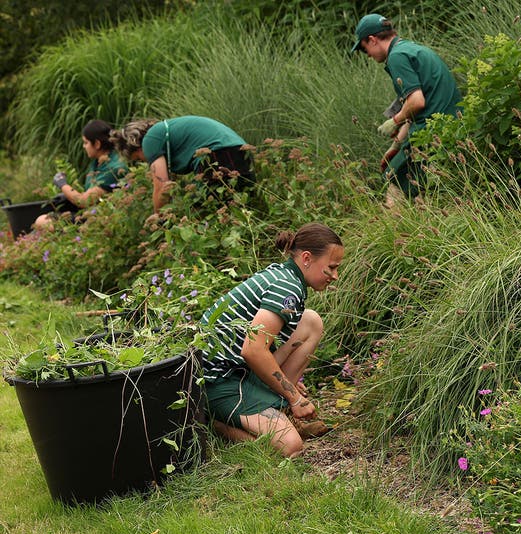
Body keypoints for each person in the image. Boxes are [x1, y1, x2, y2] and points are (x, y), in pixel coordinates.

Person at [200, 223, 344, 458]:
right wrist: (294, 397)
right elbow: (253, 350)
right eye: (331, 268)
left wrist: (283, 383)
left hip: (240, 368)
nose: (335, 276)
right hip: (219, 380)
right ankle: (215, 425)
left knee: (310, 322)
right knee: (291, 447)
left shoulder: (285, 275)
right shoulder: (287, 287)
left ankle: (275, 407)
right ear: (307, 258)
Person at [351, 13, 462, 203]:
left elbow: (417, 102)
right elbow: (414, 109)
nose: (368, 55)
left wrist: (394, 120)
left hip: (432, 133)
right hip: (450, 129)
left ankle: (394, 229)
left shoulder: (396, 58)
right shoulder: (411, 49)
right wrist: (396, 145)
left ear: (372, 40)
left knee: (396, 183)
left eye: (364, 49)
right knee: (424, 192)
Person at [110, 115, 255, 213]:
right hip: (240, 151)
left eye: (139, 158)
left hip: (217, 155)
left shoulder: (149, 140)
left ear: (135, 145)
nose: (145, 161)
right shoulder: (165, 132)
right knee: (243, 209)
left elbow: (162, 187)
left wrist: (159, 219)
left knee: (206, 212)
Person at [35, 119, 127, 230]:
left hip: (103, 219)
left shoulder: (113, 168)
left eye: (86, 142)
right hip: (93, 212)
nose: (84, 146)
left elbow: (83, 201)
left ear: (97, 144)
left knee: (42, 221)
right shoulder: (97, 162)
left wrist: (62, 184)